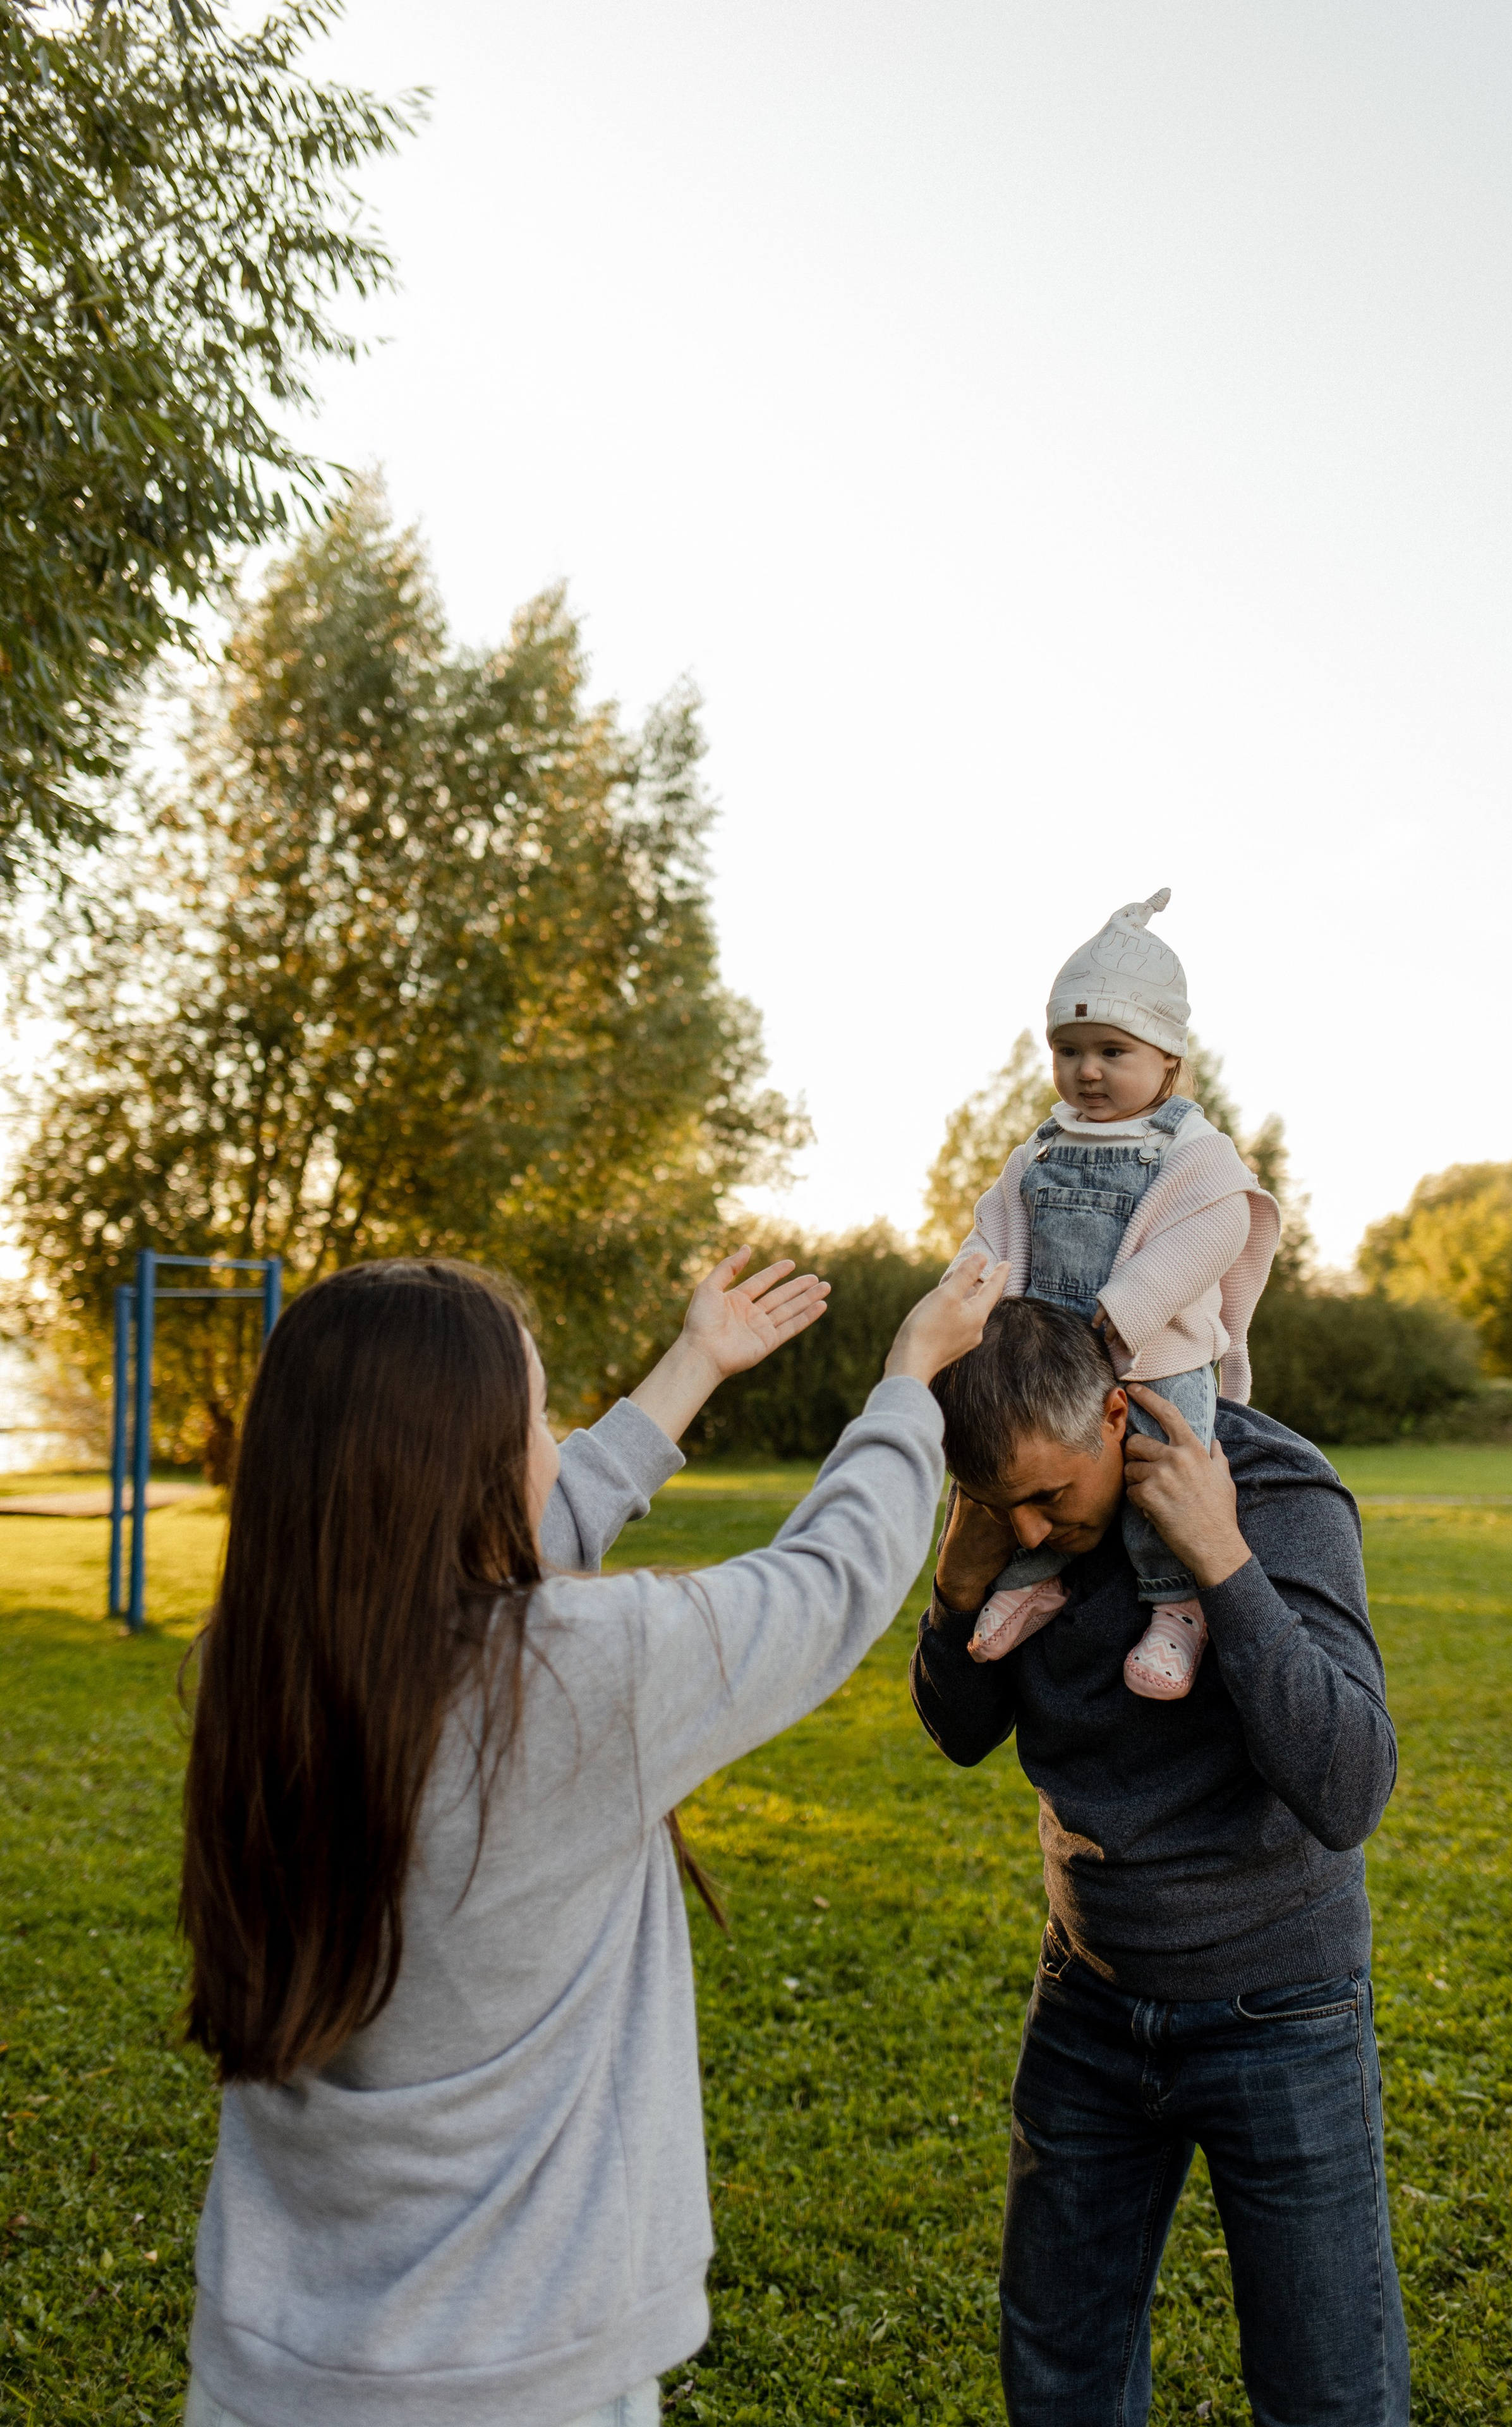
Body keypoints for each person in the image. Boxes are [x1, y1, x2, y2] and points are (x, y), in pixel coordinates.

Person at [179, 1242, 1009, 2427]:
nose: (554, 1445)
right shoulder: (579, 1679)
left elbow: (504, 1540)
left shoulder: (260, 1672)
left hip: (271, 2372)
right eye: (538, 1414)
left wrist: (694, 1365)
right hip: (519, 2379)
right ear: (462, 1463)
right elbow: (829, 1582)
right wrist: (910, 1381)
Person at [910, 1299, 1407, 2427]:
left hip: (1281, 2008)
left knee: (1327, 2390)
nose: (1029, 1531)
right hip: (1087, 1998)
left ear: (1120, 1413)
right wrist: (955, 1583)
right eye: (1001, 1503)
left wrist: (1221, 1559)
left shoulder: (1275, 1488)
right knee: (1060, 2376)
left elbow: (1349, 1789)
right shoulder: (1010, 1509)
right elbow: (958, 1727)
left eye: (1050, 1496)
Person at [948, 886, 1278, 1697]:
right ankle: (1033, 1577)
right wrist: (967, 1289)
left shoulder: (1190, 1149)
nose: (1086, 1071)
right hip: (1051, 1362)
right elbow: (995, 1227)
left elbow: (1217, 1227)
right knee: (1030, 1464)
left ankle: (1178, 1607)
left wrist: (1132, 1301)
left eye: (1112, 1051)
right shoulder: (1038, 1150)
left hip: (1150, 1351)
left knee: (1161, 1468)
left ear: (1166, 1058)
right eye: (1068, 1049)